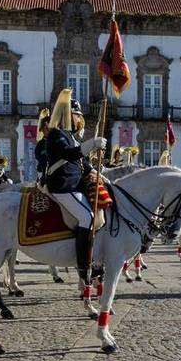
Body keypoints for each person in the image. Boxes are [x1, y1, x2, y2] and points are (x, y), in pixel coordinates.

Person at [42, 89, 106, 280]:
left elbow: (79, 162)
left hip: (73, 186)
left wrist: (94, 172)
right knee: (87, 217)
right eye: (77, 115)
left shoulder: (69, 135)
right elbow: (70, 155)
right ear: (69, 115)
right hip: (62, 186)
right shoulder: (56, 134)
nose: (80, 119)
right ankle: (83, 265)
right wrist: (92, 143)